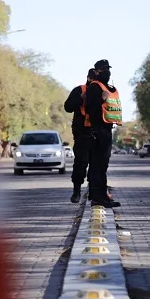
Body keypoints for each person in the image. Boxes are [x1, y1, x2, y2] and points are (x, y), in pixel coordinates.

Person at [85, 59, 122, 208]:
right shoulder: (95, 87)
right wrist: (102, 99)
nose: (107, 72)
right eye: (103, 69)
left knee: (103, 165)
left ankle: (103, 196)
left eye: (108, 69)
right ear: (97, 72)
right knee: (97, 165)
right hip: (97, 131)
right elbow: (89, 108)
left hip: (107, 130)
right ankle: (97, 197)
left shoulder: (110, 88)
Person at [64, 69, 96, 203]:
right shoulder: (79, 90)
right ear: (89, 78)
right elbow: (68, 107)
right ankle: (76, 191)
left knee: (97, 166)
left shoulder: (107, 91)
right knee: (80, 164)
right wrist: (80, 98)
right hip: (82, 134)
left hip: (99, 134)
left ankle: (95, 193)